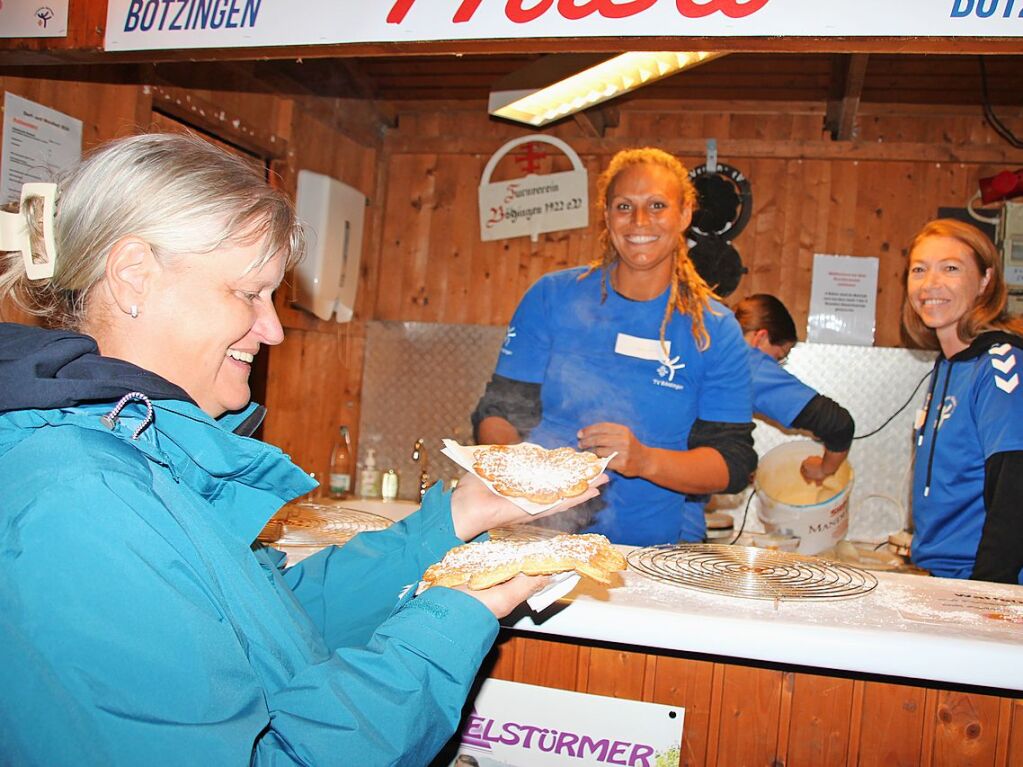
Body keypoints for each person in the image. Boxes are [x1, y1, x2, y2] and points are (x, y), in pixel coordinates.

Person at [0, 133, 606, 765]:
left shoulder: (144, 452)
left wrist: (455, 520)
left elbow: (275, 628)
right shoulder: (82, 502)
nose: (274, 329)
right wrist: (454, 619)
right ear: (134, 277)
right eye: (247, 293)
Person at [472, 147, 756, 546]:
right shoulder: (552, 297)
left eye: (657, 205)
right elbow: (499, 412)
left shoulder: (713, 329)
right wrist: (525, 471)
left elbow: (732, 462)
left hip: (652, 556)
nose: (640, 221)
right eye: (625, 206)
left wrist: (645, 460)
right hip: (535, 542)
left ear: (685, 214)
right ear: (607, 216)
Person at [903, 218, 1023, 584]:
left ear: (985, 280)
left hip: (986, 585)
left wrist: (986, 595)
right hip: (946, 579)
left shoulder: (1001, 363)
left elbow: (1015, 484)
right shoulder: (949, 366)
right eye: (919, 270)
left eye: (950, 269)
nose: (930, 285)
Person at [733, 293, 855, 485]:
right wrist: (824, 469)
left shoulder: (707, 352)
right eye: (779, 356)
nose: (776, 365)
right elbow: (838, 424)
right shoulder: (750, 365)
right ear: (761, 338)